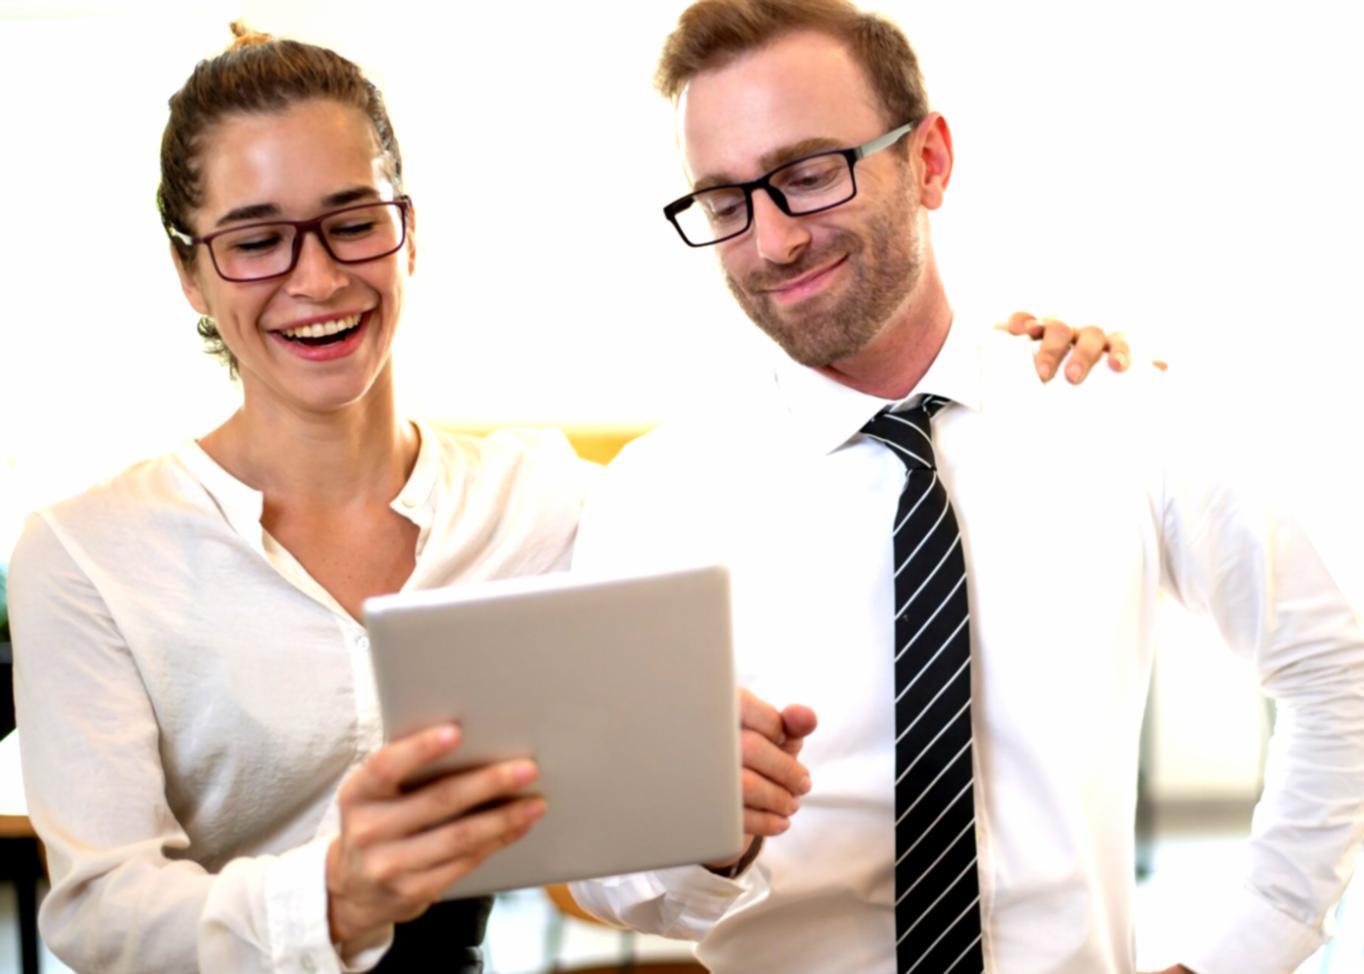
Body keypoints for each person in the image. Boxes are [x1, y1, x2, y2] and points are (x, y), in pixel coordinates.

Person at [6, 21, 1127, 974]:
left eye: (353, 220)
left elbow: (797, 477)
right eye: (256, 241)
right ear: (190, 272)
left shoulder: (549, 505)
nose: (317, 276)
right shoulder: (89, 552)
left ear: (406, 230)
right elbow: (97, 913)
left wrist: (994, 374)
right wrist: (334, 899)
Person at [566, 3, 1364, 973]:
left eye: (805, 176)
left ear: (927, 160)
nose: (772, 242)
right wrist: (705, 836)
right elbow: (607, 880)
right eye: (724, 202)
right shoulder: (658, 495)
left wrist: (1246, 948)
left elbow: (1336, 670)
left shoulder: (1111, 409)